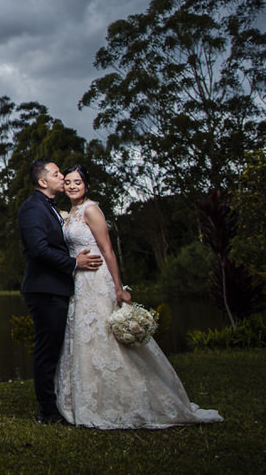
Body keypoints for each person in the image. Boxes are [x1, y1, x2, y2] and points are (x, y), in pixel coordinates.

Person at [55, 164, 222, 428]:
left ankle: (134, 397)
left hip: (98, 279)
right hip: (80, 282)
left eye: (78, 182)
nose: (73, 186)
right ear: (63, 186)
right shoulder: (70, 213)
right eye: (68, 182)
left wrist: (120, 288)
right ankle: (88, 397)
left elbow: (108, 251)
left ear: (86, 185)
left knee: (108, 335)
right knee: (86, 337)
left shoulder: (91, 210)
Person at [18, 159, 102, 424]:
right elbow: (38, 249)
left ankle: (61, 403)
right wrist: (74, 263)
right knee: (47, 352)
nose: (62, 178)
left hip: (58, 288)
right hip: (44, 290)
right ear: (43, 182)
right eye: (56, 174)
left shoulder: (52, 208)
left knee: (57, 350)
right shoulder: (32, 208)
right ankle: (48, 413)